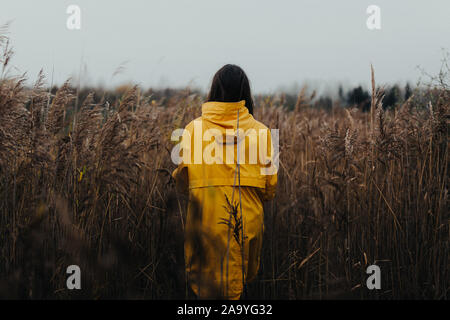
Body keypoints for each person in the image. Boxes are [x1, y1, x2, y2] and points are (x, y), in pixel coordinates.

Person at [172, 64, 277, 299]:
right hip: (246, 234)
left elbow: (182, 184)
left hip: (204, 231)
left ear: (214, 91)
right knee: (241, 290)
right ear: (246, 93)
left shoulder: (191, 130)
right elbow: (270, 190)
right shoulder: (263, 133)